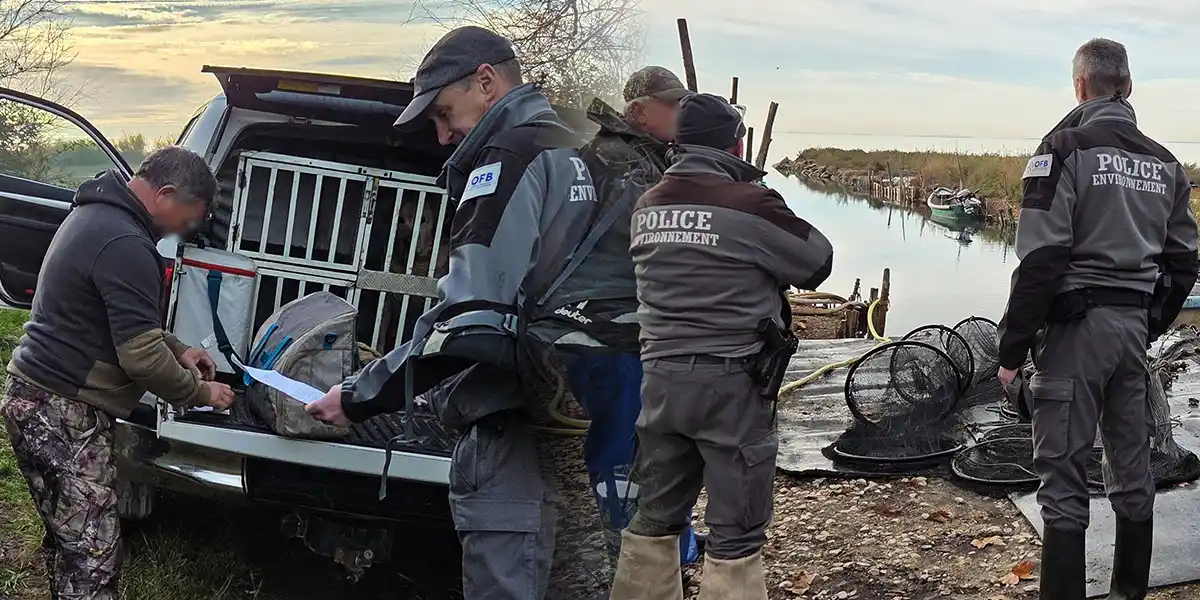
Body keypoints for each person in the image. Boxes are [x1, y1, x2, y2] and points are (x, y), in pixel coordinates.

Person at [304, 26, 598, 599]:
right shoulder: (580, 144)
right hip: (596, 424)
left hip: (518, 429)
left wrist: (363, 394)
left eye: (444, 113)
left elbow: (470, 319)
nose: (442, 137)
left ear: (485, 81)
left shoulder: (508, 156)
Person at [995, 38, 1198, 600]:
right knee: (1132, 467)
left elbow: (1039, 260)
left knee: (1062, 479)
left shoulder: (1062, 149)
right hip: (1133, 334)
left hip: (1074, 334)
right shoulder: (1165, 163)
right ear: (1127, 86)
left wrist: (1012, 353)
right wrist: (1148, 321)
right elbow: (1184, 261)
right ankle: (1128, 593)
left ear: (1080, 86)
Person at [610, 93, 834, 600]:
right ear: (736, 142)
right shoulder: (750, 203)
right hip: (731, 385)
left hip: (660, 383)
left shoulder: (648, 205)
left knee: (655, 515)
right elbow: (818, 261)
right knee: (736, 532)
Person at [1, 147, 236, 600]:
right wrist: (202, 392)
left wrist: (181, 348)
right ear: (166, 194)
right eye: (191, 217)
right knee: (94, 559)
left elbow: (126, 325)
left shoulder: (98, 217)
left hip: (35, 396)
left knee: (69, 540)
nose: (187, 229)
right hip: (61, 410)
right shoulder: (125, 242)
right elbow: (142, 358)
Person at [537, 65, 702, 570]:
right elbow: (659, 240)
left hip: (616, 319)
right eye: (673, 105)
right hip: (604, 324)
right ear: (638, 111)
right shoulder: (624, 163)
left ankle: (666, 543)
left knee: (646, 431)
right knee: (623, 432)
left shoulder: (635, 154)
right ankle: (628, 549)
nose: (681, 113)